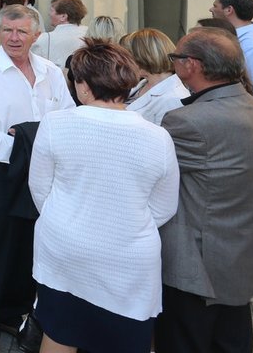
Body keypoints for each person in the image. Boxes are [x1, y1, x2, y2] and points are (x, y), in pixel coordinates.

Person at [28, 41, 179, 353]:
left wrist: (68, 217)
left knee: (59, 334)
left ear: (83, 86)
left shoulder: (56, 124)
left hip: (64, 250)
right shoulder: (157, 137)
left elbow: (41, 189)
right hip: (128, 261)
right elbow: (164, 206)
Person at [0, 4, 76, 353]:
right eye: (7, 31)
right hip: (0, 173)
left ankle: (11, 313)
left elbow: (68, 116)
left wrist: (36, 149)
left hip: (44, 175)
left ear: (36, 36)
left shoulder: (51, 72)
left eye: (21, 32)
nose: (13, 38)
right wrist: (25, 149)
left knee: (29, 248)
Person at [155, 28, 253, 353]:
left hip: (194, 270)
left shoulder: (187, 122)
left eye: (175, 57)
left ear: (192, 65)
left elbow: (148, 174)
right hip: (241, 262)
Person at [122, 28, 189, 125]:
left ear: (143, 57)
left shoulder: (174, 98)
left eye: (126, 57)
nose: (122, 62)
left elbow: (165, 137)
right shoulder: (142, 83)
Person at [209, 0, 253, 92]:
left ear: (229, 10)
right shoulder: (242, 40)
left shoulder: (250, 46)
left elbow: (239, 84)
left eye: (215, 6)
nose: (211, 9)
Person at [30, 0, 88, 69]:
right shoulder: (90, 34)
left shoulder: (44, 39)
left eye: (51, 10)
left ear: (63, 17)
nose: (49, 14)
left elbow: (33, 67)